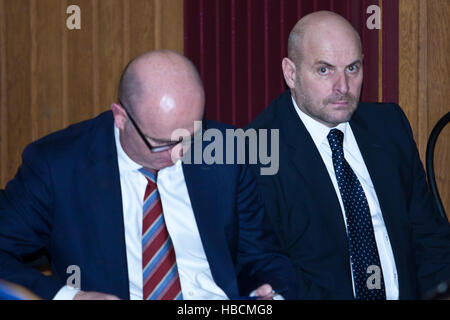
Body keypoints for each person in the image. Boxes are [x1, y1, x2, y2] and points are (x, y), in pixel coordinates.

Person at [0, 50, 297, 300]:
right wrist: (69, 296)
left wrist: (271, 294)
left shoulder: (226, 151)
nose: (180, 153)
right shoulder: (58, 165)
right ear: (121, 117)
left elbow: (262, 257)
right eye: (165, 143)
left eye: (190, 135)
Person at [246, 11, 450, 300]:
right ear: (291, 73)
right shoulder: (256, 152)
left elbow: (429, 239)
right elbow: (275, 274)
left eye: (352, 68)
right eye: (324, 70)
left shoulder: (389, 126)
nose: (343, 87)